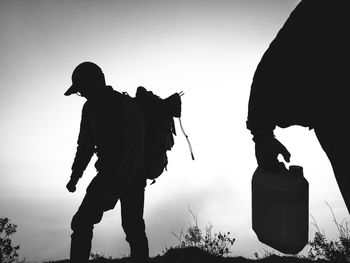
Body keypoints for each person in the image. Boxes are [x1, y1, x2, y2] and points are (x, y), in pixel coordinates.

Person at [247, 0, 349, 213]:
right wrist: (262, 134)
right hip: (336, 118)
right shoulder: (323, 8)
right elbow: (272, 66)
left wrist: (262, 134)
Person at [64, 61, 149, 263]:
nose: (81, 94)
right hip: (108, 173)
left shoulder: (126, 106)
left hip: (132, 176)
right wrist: (75, 177)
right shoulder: (89, 109)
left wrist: (117, 188)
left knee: (132, 227)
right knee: (82, 222)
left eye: (82, 89)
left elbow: (134, 152)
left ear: (94, 83)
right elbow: (84, 146)